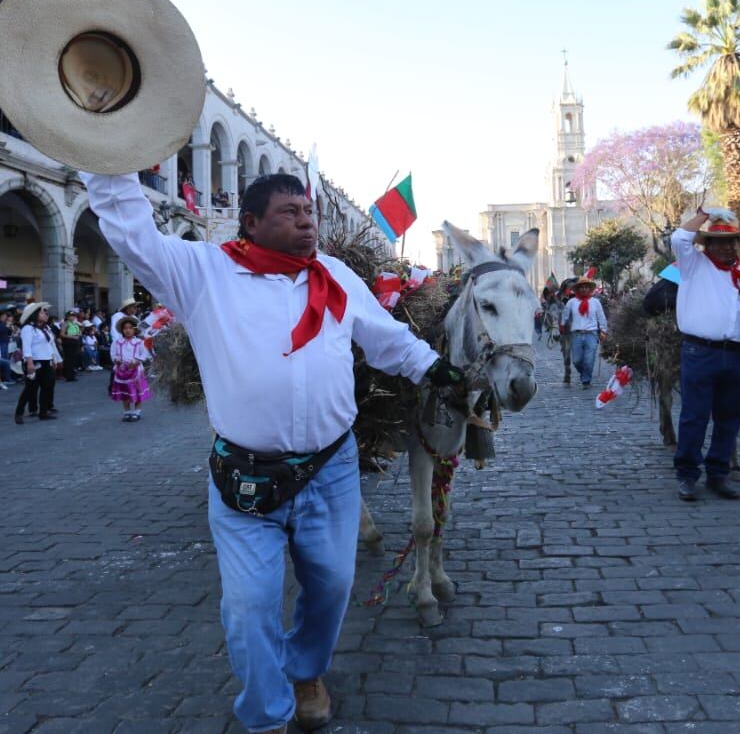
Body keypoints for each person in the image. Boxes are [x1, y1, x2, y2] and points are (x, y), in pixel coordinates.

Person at [81, 169, 461, 734]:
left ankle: (306, 671)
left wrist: (434, 368)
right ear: (251, 223)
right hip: (245, 478)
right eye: (290, 212)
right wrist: (108, 155)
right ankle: (266, 715)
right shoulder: (202, 271)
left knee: (331, 587)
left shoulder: (333, 276)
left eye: (309, 211)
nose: (306, 220)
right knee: (250, 605)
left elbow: (385, 339)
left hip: (331, 471)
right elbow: (132, 232)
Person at [670, 207, 740, 502]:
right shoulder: (693, 264)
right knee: (695, 415)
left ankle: (718, 473)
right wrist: (703, 214)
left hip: (737, 354)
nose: (727, 247)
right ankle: (687, 475)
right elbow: (680, 238)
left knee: (731, 416)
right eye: (719, 242)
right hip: (700, 351)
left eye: (732, 242)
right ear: (706, 244)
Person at [14, 302, 60, 424]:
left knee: (46, 387)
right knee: (30, 388)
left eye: (45, 312)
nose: (45, 314)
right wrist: (29, 363)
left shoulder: (46, 328)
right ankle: (19, 412)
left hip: (47, 361)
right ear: (35, 315)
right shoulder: (28, 328)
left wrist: (53, 358)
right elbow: (27, 346)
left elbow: (49, 345)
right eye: (42, 312)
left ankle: (43, 412)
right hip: (34, 361)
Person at [560, 277, 607, 388]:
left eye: (586, 287)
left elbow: (601, 317)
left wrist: (603, 331)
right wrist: (562, 325)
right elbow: (565, 314)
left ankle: (586, 380)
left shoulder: (596, 302)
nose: (584, 289)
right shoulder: (572, 302)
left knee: (589, 360)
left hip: (591, 334)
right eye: (582, 287)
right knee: (576, 360)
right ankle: (584, 374)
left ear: (590, 289)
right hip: (576, 334)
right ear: (578, 289)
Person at [109, 317, 151, 421]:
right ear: (122, 330)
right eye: (125, 328)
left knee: (137, 391)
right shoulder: (117, 342)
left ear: (135, 329)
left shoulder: (139, 342)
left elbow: (144, 354)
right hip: (121, 371)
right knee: (125, 392)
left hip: (136, 371)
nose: (128, 330)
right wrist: (116, 360)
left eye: (130, 328)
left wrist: (137, 361)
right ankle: (127, 412)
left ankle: (137, 412)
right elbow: (113, 353)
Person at [59, 309, 82, 382]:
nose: (73, 317)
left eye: (74, 316)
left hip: (75, 341)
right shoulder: (65, 323)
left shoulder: (75, 324)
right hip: (69, 341)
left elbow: (79, 332)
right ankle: (68, 376)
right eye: (71, 316)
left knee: (74, 359)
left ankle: (72, 374)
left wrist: (80, 332)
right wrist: (72, 337)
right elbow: (62, 334)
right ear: (67, 317)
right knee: (69, 359)